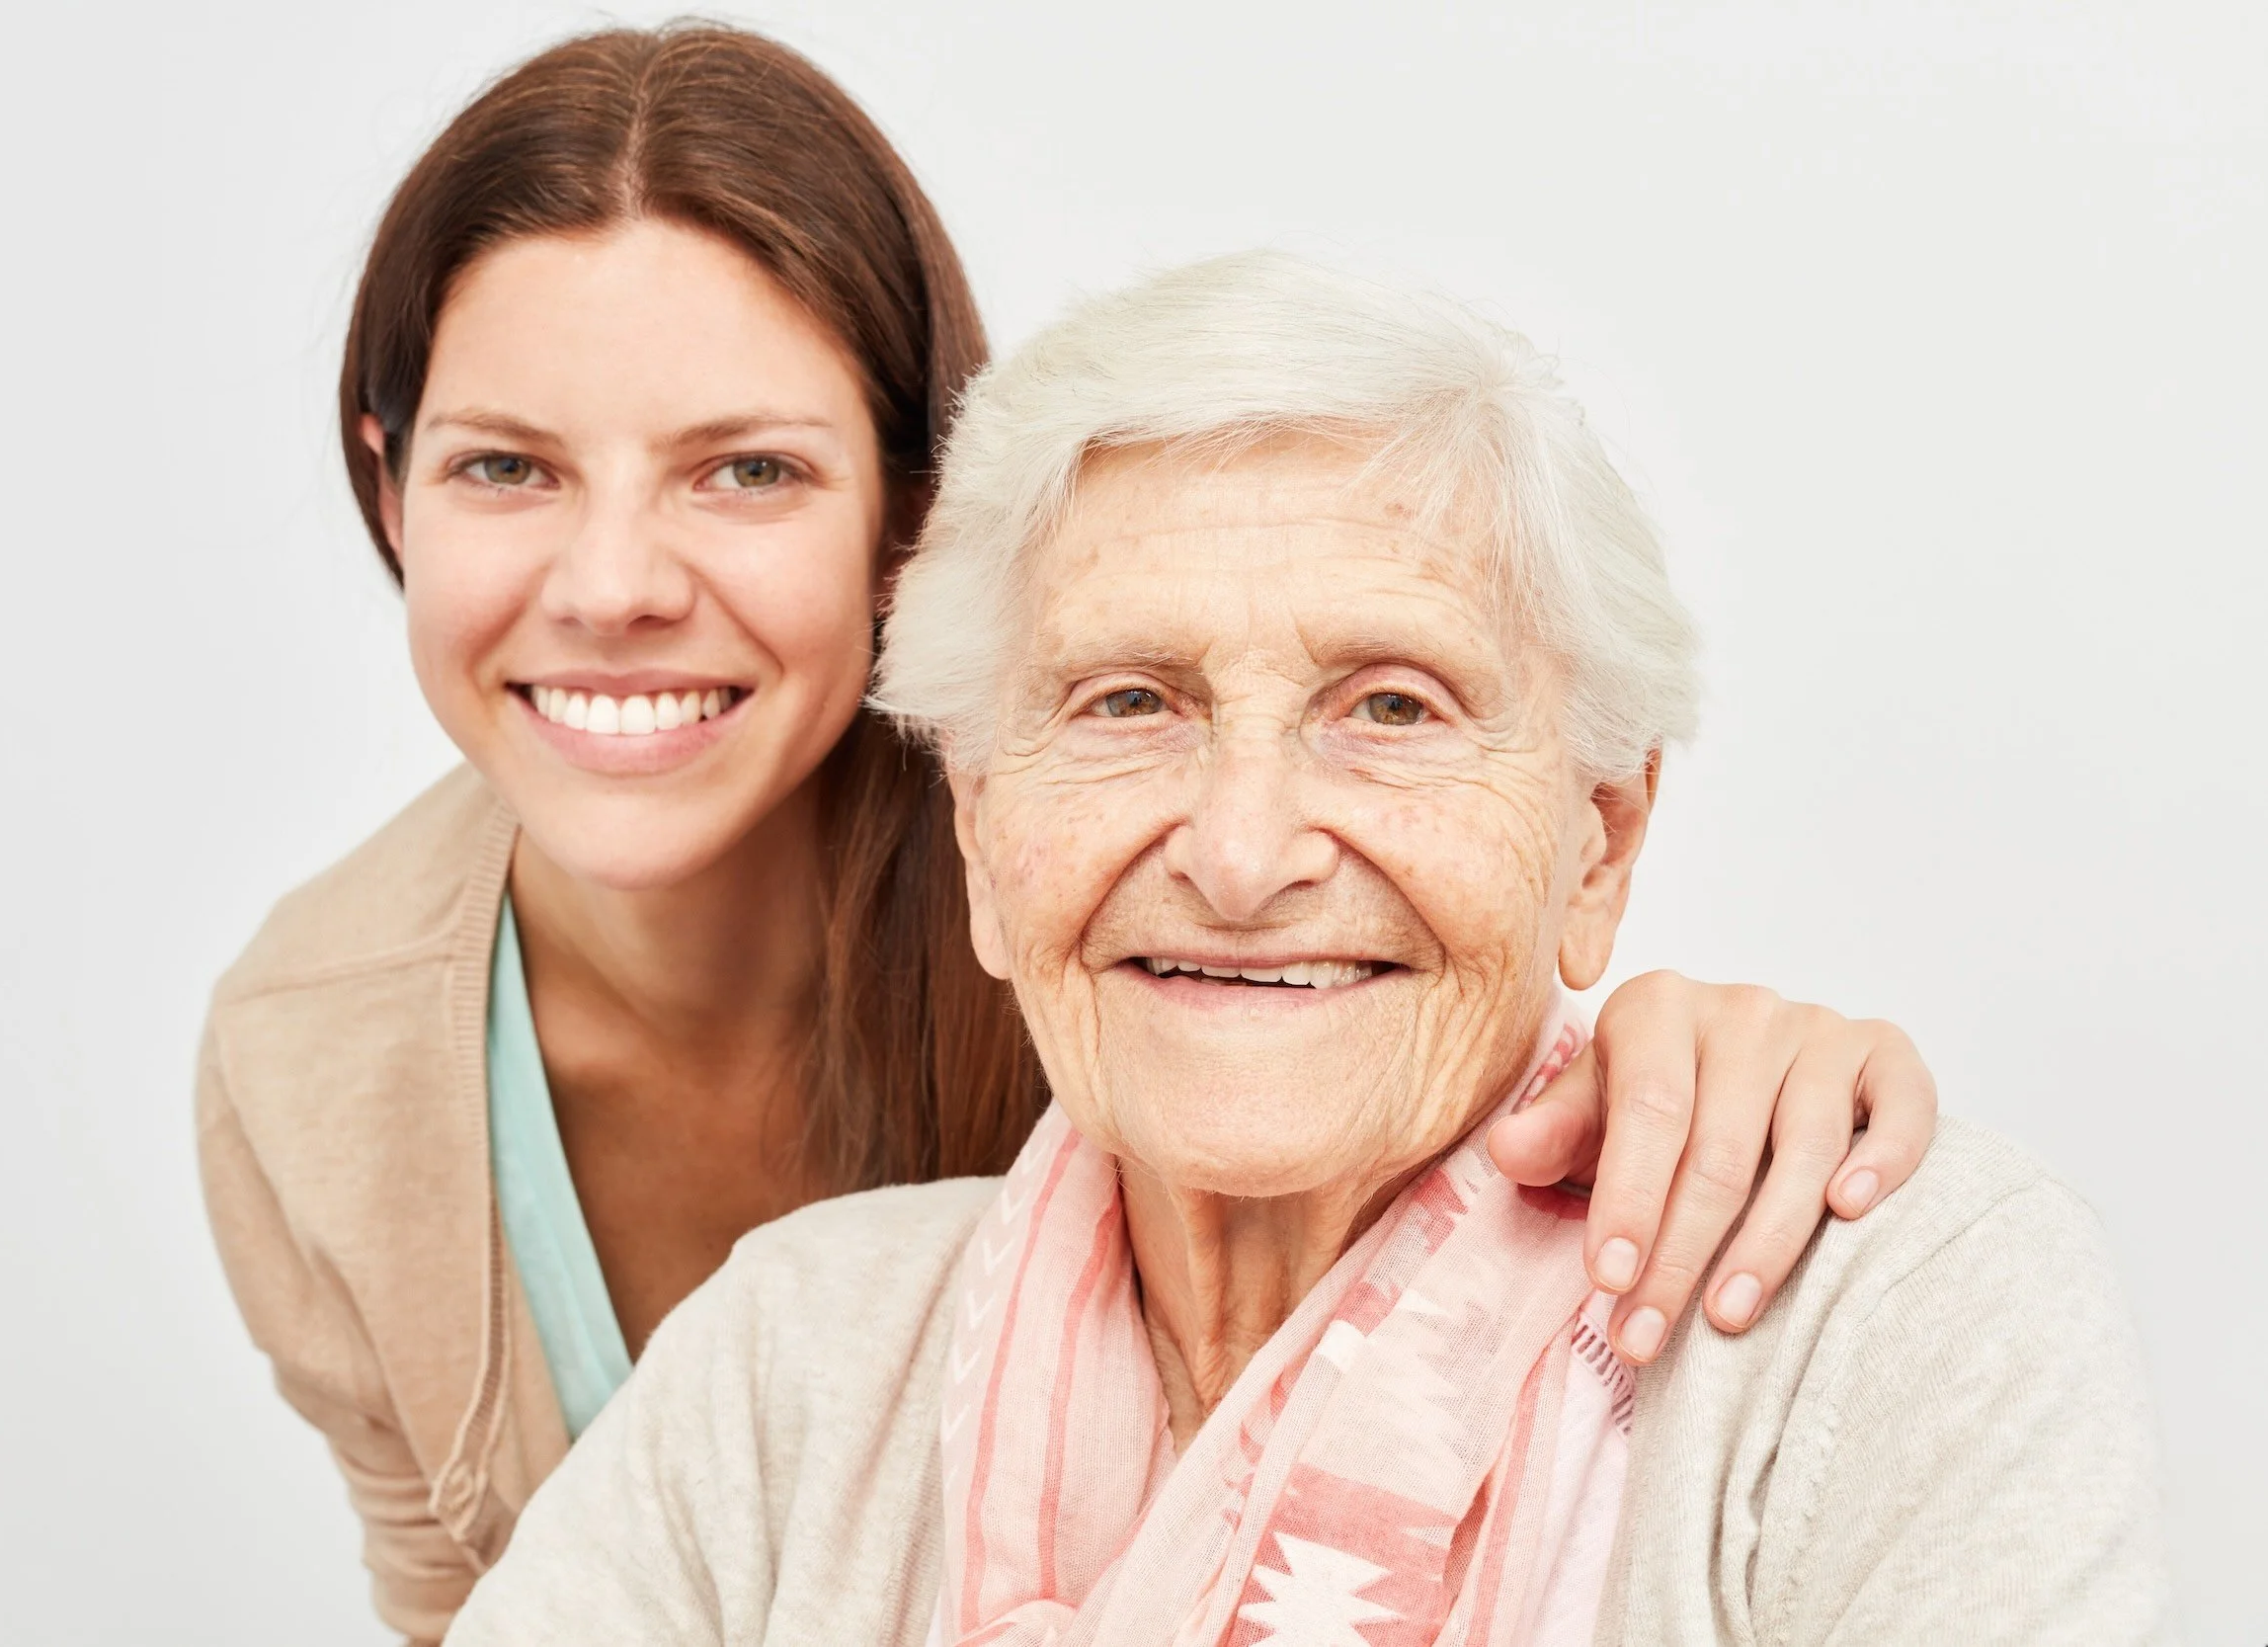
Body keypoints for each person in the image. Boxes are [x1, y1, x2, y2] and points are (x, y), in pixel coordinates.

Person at [198, 27, 1941, 1643]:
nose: (614, 587)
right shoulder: (315, 1067)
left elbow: (1456, 1019)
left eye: (749, 471)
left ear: (914, 520)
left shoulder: (1138, 912)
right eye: (506, 467)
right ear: (388, 487)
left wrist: (1684, 1055)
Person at [445, 254, 2169, 1645]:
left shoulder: (1888, 1313)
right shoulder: (793, 1359)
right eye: (1129, 702)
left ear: (1602, 837)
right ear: (978, 834)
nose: (1245, 851)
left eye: (1391, 707)